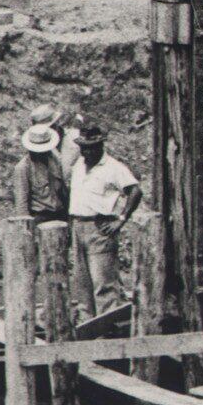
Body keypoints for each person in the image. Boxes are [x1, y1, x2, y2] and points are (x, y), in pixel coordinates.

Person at [66, 122, 141, 318]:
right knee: (82, 281)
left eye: (91, 148)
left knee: (103, 282)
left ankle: (109, 325)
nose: (86, 152)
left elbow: (135, 191)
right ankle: (87, 323)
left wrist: (121, 218)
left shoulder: (113, 167)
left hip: (100, 227)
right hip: (78, 225)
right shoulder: (78, 166)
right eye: (83, 148)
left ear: (100, 146)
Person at [12, 122, 69, 222]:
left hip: (61, 213)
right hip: (39, 217)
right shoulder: (23, 168)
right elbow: (21, 203)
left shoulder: (56, 159)